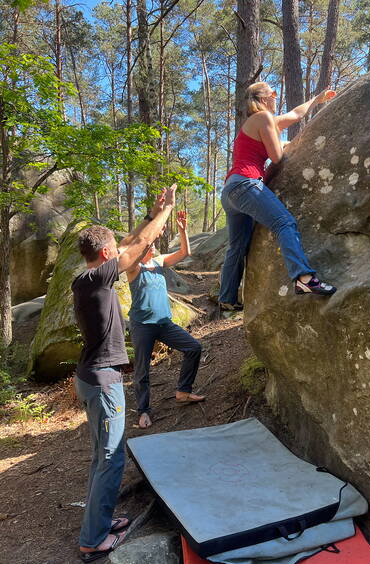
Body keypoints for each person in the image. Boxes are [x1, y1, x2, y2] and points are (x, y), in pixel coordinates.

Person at [71, 184, 176, 563]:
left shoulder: (89, 278)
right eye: (113, 249)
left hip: (93, 377)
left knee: (103, 455)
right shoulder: (95, 279)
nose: (120, 252)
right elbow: (135, 248)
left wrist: (152, 211)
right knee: (111, 457)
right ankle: (92, 539)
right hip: (102, 382)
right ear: (104, 254)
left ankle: (98, 521)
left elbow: (130, 241)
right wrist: (166, 215)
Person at [218, 82, 337, 311]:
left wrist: (317, 99)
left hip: (230, 190)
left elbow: (295, 114)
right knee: (284, 222)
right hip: (246, 184)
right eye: (273, 93)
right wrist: (284, 144)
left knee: (237, 246)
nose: (276, 96)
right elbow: (276, 157)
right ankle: (304, 279)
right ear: (263, 99)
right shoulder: (263, 117)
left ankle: (226, 298)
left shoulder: (262, 121)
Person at [126, 209, 205, 430]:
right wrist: (149, 235)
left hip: (164, 324)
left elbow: (184, 252)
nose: (152, 247)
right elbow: (137, 255)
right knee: (142, 370)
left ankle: (183, 391)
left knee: (193, 347)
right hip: (142, 326)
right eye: (149, 245)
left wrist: (183, 230)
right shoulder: (134, 269)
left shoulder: (159, 262)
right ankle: (143, 411)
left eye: (152, 244)